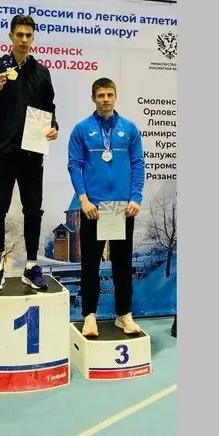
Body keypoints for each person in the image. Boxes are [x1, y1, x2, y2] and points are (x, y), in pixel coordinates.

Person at [0, 14, 59, 291]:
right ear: (10, 36)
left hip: (32, 153)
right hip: (4, 152)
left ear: (33, 38)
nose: (23, 39)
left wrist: (54, 127)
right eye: (19, 34)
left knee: (33, 210)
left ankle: (31, 266)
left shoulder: (41, 72)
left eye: (28, 35)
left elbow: (49, 107)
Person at [66, 77, 146, 337]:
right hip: (94, 208)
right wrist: (83, 199)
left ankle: (124, 315)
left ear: (115, 96)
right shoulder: (82, 129)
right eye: (100, 95)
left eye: (109, 95)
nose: (105, 100)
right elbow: (74, 165)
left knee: (122, 263)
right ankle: (89, 316)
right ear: (93, 98)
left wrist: (136, 198)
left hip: (123, 208)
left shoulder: (129, 129)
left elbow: (138, 164)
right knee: (90, 264)